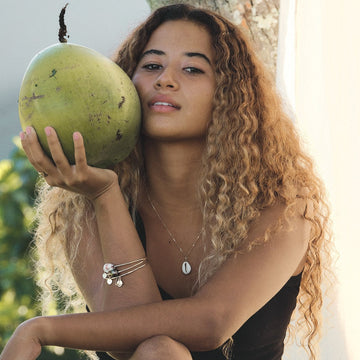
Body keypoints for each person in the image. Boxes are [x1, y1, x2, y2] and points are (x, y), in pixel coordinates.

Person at [0, 4, 332, 360]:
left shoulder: (282, 206)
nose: (165, 80)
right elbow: (126, 341)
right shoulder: (84, 206)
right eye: (152, 66)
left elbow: (211, 323)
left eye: (192, 68)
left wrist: (40, 329)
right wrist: (106, 195)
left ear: (231, 95)